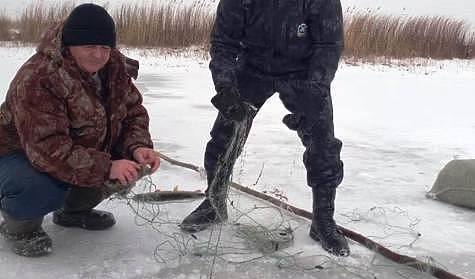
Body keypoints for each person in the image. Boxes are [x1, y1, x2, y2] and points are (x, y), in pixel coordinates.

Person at [181, 0, 349, 256]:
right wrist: (225, 87)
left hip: (303, 73)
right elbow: (224, 44)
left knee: (322, 143)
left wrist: (315, 91)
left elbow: (328, 46)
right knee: (224, 136)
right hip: (252, 69)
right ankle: (214, 203)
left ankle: (323, 220)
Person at [0, 4, 160, 257]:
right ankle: (20, 227)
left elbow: (132, 112)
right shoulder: (39, 77)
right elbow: (46, 149)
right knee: (40, 185)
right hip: (17, 154)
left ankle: (73, 212)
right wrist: (106, 166)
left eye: (105, 48)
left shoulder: (114, 70)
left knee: (130, 164)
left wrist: (138, 147)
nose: (98, 55)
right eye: (89, 47)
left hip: (71, 149)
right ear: (69, 44)